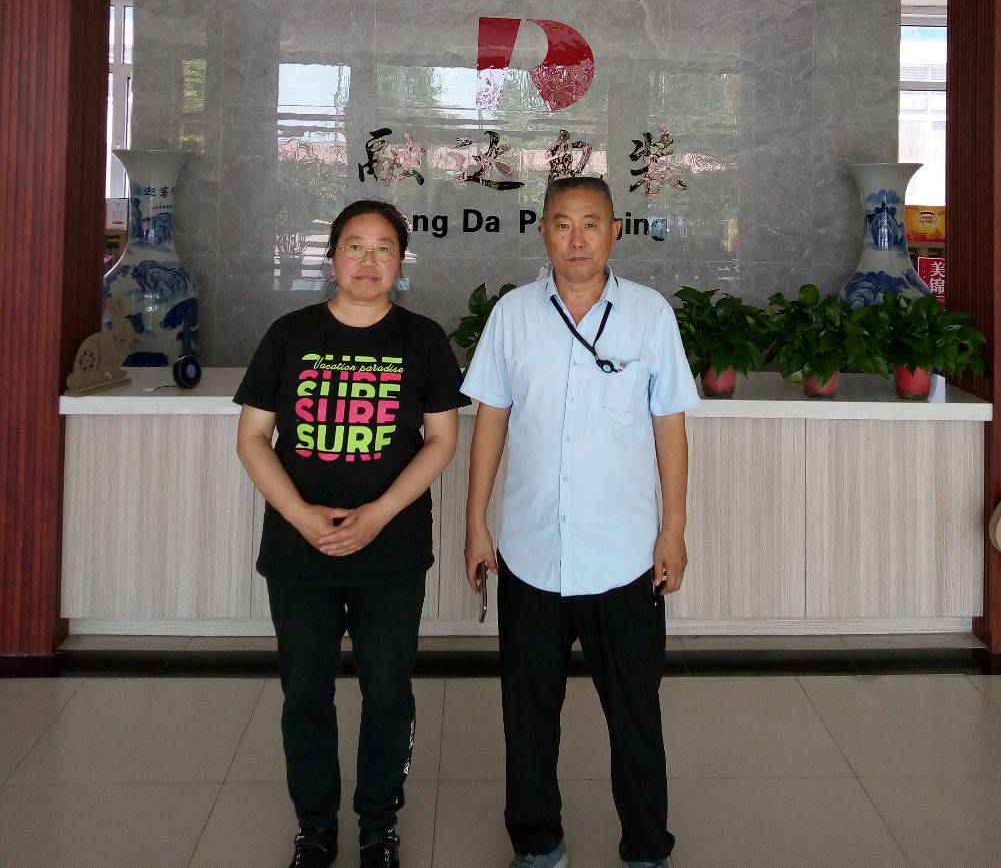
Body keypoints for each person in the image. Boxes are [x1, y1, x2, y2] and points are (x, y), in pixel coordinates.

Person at [463, 175, 698, 868]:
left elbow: (670, 426)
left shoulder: (649, 315)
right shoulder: (513, 315)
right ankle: (537, 843)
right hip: (531, 551)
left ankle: (647, 848)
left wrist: (674, 529)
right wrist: (476, 521)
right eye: (562, 223)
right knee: (528, 715)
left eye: (591, 223)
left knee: (635, 715)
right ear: (543, 232)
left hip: (623, 555)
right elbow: (491, 420)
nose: (576, 239)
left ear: (614, 231)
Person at [235, 199, 466, 868]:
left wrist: (379, 512)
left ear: (400, 259)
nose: (369, 261)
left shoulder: (422, 339)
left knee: (388, 692)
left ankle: (377, 825)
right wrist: (302, 514)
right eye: (355, 246)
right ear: (332, 256)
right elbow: (253, 438)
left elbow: (442, 439)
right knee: (305, 693)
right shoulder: (289, 334)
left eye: (383, 247)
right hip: (298, 551)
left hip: (390, 551)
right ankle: (314, 827)